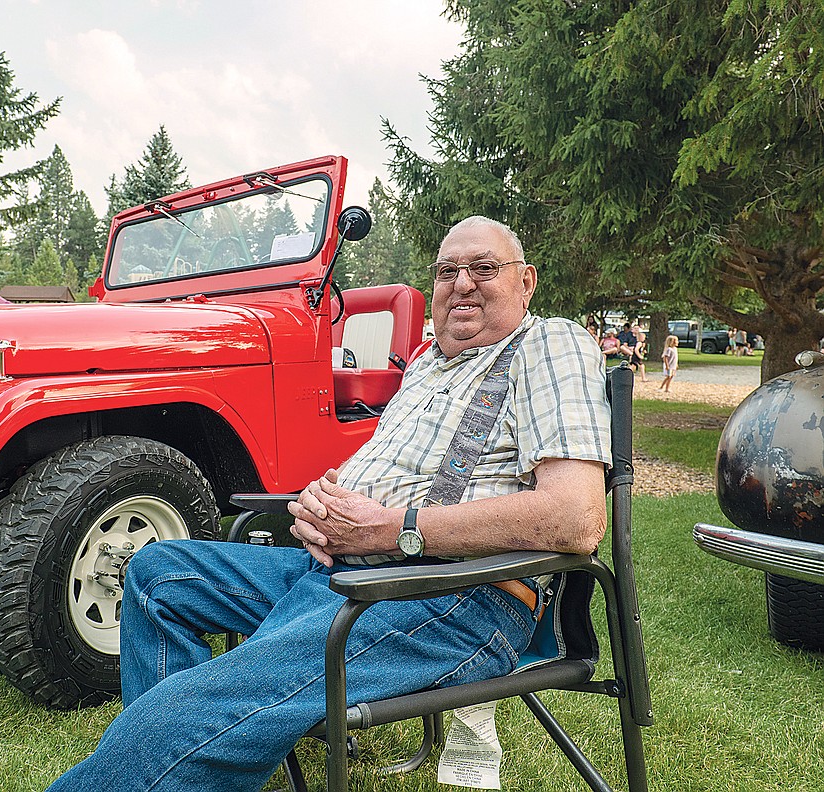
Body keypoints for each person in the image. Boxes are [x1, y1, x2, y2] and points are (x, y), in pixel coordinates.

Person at [44, 216, 612, 792]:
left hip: (449, 595)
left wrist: (394, 531)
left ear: (526, 282)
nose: (462, 284)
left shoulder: (548, 343)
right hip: (340, 572)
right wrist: (323, 496)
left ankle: (189, 734)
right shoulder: (425, 364)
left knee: (200, 701)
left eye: (484, 269)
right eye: (447, 273)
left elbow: (575, 517)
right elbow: (388, 468)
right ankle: (197, 755)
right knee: (154, 572)